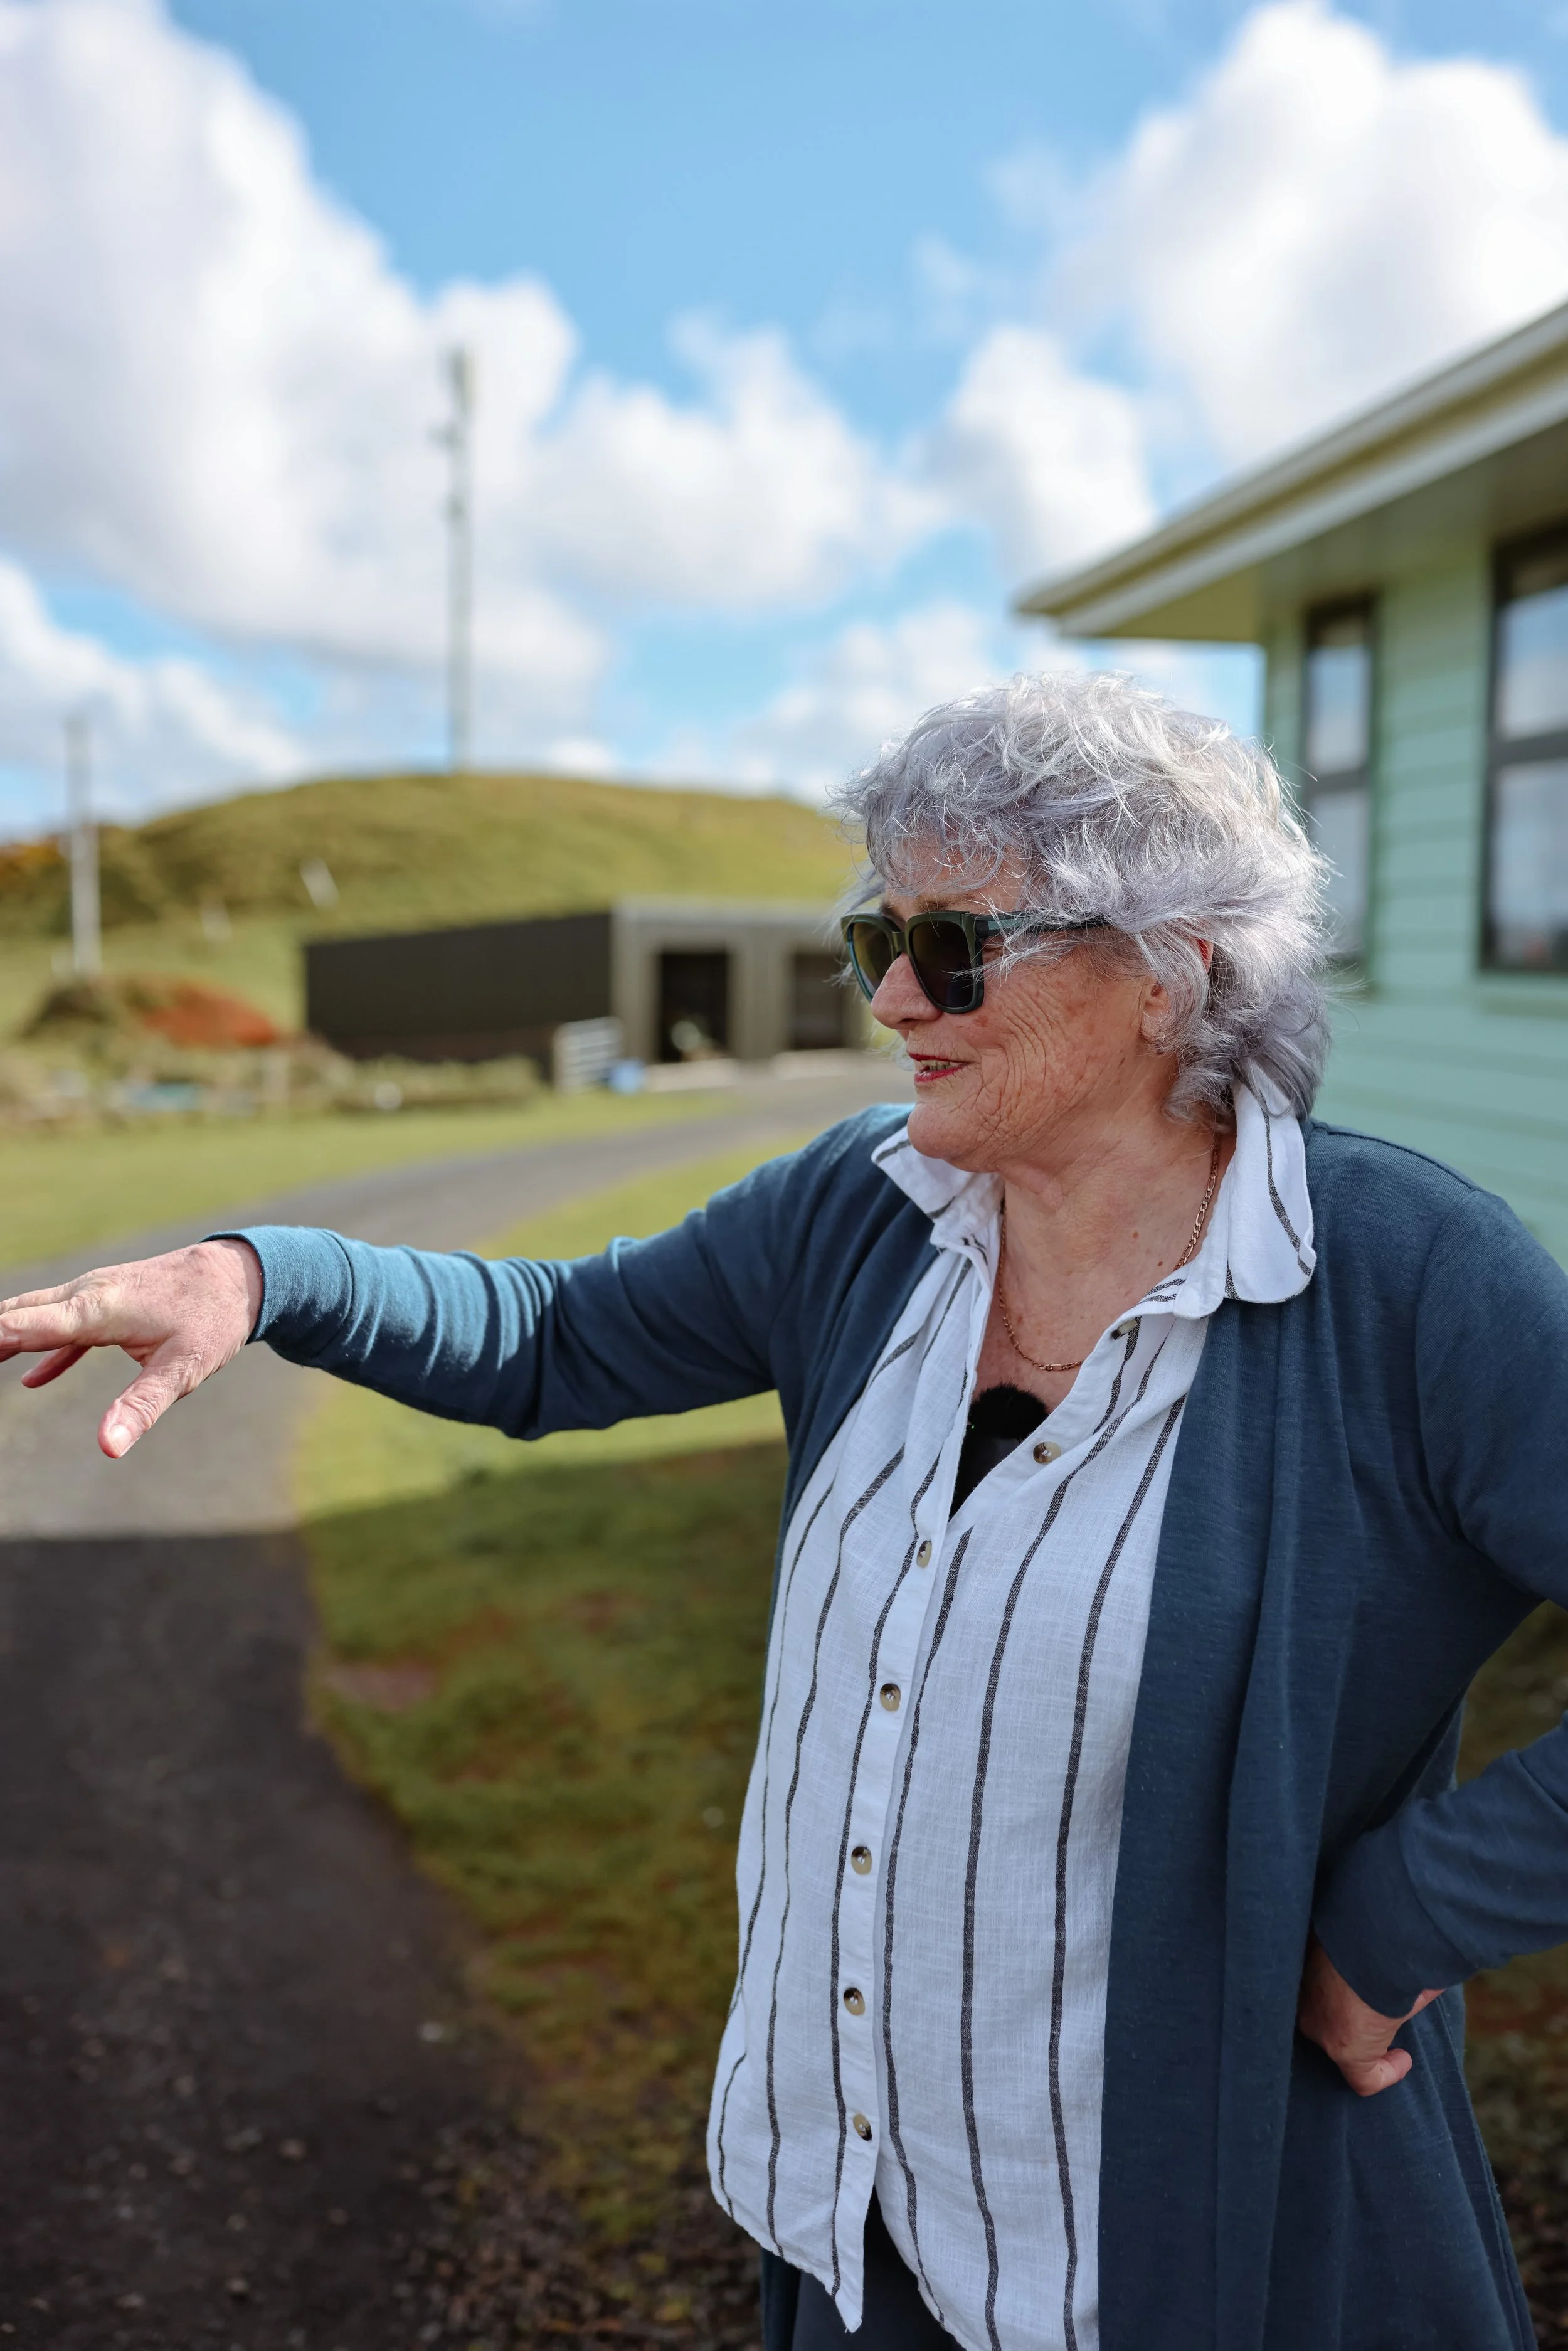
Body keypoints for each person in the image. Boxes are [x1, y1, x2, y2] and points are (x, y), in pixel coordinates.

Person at [1, 669, 1561, 2351]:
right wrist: (263, 1272)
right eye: (867, 938)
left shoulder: (1406, 1285)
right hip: (852, 2247)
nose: (891, 996)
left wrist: (1404, 1913)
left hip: (1197, 2266)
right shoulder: (864, 1209)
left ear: (1173, 967)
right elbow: (554, 1334)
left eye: (954, 946)